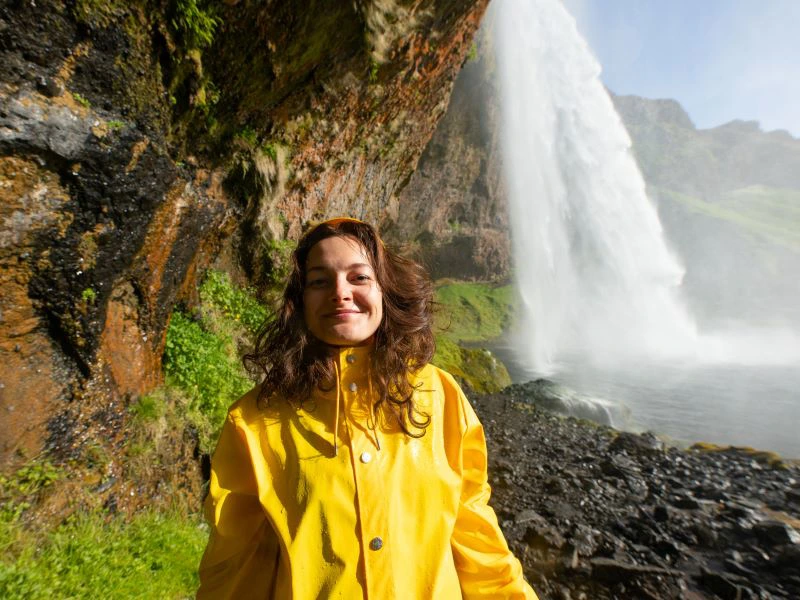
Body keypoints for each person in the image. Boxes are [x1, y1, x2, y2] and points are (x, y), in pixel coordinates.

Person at [197, 218, 538, 599]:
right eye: (319, 281)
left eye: (359, 277)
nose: (340, 292)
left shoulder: (440, 395)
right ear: (300, 301)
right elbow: (236, 567)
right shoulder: (254, 422)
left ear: (385, 290)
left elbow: (475, 533)